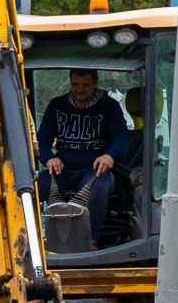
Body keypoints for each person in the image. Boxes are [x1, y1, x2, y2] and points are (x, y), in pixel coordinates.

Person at [36, 69, 130, 240]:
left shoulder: (109, 106)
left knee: (98, 189)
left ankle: (90, 239)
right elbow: (42, 138)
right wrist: (49, 158)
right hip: (62, 170)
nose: (80, 89)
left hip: (94, 170)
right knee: (33, 188)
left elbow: (122, 137)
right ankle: (32, 238)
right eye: (75, 84)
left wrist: (110, 155)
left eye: (85, 85)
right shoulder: (57, 105)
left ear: (95, 83)